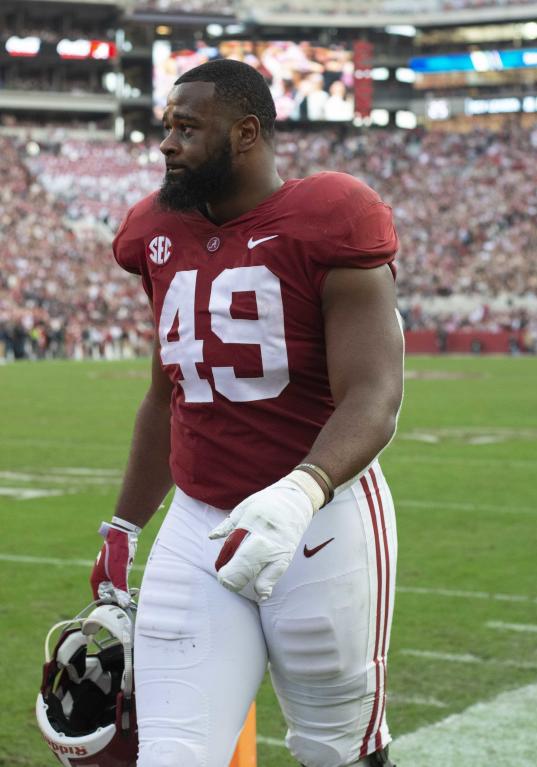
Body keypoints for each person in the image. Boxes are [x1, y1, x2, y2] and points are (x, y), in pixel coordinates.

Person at [88, 59, 403, 767]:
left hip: (320, 522)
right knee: (170, 754)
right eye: (166, 127)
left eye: (187, 128)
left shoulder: (330, 215)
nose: (167, 144)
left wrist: (303, 487)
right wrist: (125, 524)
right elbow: (167, 395)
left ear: (247, 132)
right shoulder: (155, 231)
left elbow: (374, 394)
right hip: (196, 523)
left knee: (335, 752)